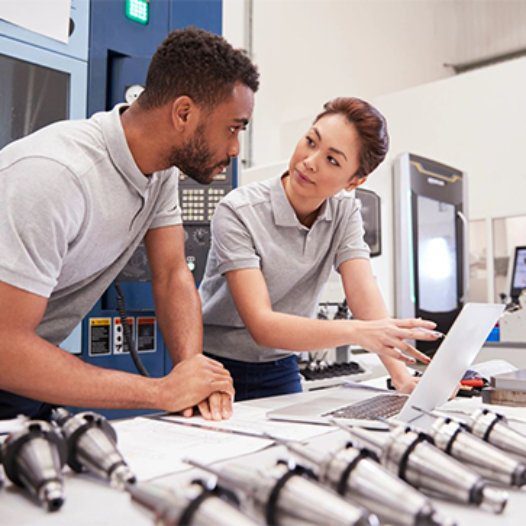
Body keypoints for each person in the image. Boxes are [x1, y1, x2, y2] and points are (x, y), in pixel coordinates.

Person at [0, 28, 259, 421]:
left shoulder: (160, 171)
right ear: (183, 113)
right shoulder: (56, 177)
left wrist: (193, 376)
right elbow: (5, 346)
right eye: (233, 128)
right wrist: (161, 390)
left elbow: (172, 274)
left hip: (20, 374)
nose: (236, 148)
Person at [199, 97, 442, 401]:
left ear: (355, 181)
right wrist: (358, 332)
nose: (310, 161)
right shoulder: (238, 210)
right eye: (311, 141)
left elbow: (363, 291)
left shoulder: (344, 211)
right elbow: (261, 324)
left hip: (280, 365)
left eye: (332, 160)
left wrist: (402, 377)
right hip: (215, 365)